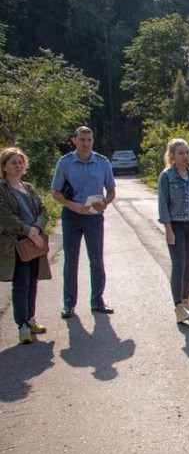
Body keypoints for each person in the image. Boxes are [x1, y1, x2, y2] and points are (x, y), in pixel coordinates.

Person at [51, 126, 116, 319]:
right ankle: (69, 304)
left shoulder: (102, 163)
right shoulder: (65, 163)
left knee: (96, 260)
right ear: (75, 141)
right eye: (82, 140)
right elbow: (55, 193)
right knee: (71, 261)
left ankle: (97, 301)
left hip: (94, 218)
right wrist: (72, 206)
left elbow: (111, 191)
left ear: (93, 141)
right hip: (72, 217)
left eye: (89, 139)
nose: (86, 143)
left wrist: (106, 202)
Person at [0, 147, 51, 344]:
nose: (18, 165)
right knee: (21, 284)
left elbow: (43, 211)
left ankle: (31, 320)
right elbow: (5, 216)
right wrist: (29, 231)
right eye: (13, 162)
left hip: (34, 243)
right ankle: (22, 326)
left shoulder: (28, 187)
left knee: (32, 282)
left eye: (21, 162)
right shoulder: (2, 188)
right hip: (16, 244)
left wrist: (36, 229)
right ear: (4, 166)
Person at [157, 139, 189, 323]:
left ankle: (186, 301)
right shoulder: (167, 176)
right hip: (176, 225)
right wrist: (168, 229)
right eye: (180, 153)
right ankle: (178, 306)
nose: (185, 156)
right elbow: (163, 204)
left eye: (187, 152)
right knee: (178, 264)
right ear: (172, 156)